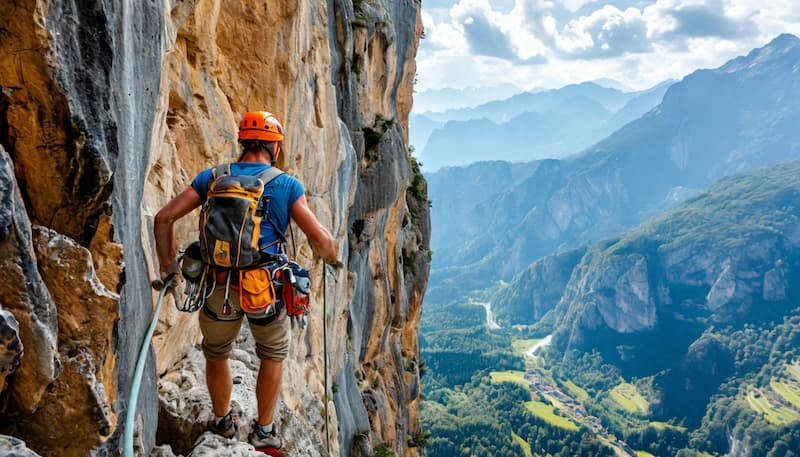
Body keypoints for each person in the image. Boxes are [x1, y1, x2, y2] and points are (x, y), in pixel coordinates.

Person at [153, 111, 338, 449]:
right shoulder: (286, 185)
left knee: (217, 352)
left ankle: (223, 422)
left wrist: (169, 267)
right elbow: (320, 240)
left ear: (242, 142)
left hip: (217, 285)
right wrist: (331, 254)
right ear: (275, 147)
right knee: (272, 354)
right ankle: (264, 432)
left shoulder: (212, 178)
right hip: (263, 290)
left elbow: (164, 218)